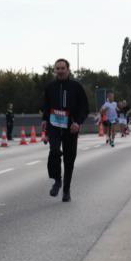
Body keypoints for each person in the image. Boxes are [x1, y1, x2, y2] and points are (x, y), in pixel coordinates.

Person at [41, 59, 90, 202]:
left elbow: (84, 108)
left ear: (68, 70)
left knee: (69, 160)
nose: (60, 71)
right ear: (55, 70)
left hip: (71, 127)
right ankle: (57, 180)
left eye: (63, 68)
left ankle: (66, 190)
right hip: (54, 126)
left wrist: (78, 123)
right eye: (58, 68)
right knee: (54, 152)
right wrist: (44, 119)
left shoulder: (76, 87)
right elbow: (46, 105)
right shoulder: (50, 87)